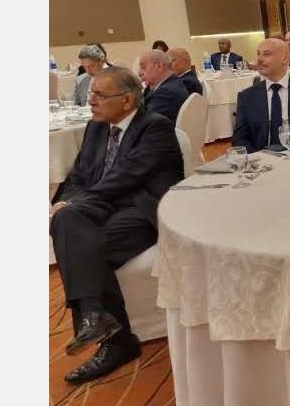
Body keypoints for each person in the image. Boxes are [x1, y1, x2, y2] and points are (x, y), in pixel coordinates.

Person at [49, 67, 184, 384]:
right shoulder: (96, 127)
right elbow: (79, 175)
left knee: (80, 244)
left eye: (99, 94)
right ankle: (101, 324)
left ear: (127, 100)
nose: (91, 100)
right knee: (66, 219)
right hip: (103, 203)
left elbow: (126, 177)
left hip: (141, 207)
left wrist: (77, 205)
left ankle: (115, 339)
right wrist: (65, 201)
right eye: (91, 93)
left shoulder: (155, 126)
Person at [233, 38, 290, 152]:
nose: (259, 59)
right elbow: (239, 139)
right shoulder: (247, 97)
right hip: (260, 159)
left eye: (266, 54)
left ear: (284, 58)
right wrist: (259, 158)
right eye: (258, 54)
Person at [137, 50, 189, 124]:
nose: (139, 73)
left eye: (143, 67)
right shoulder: (165, 85)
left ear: (159, 66)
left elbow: (142, 122)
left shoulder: (166, 93)